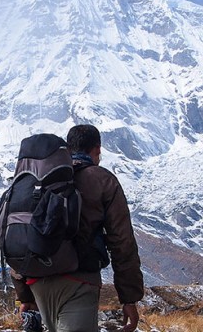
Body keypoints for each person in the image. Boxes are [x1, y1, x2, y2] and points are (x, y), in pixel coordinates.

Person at [12, 124, 144, 332]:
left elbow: (21, 232)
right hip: (79, 282)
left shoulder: (40, 180)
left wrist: (24, 295)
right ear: (97, 149)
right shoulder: (102, 180)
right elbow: (122, 242)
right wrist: (129, 298)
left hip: (37, 281)